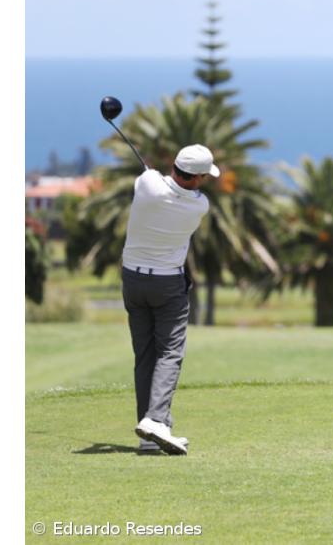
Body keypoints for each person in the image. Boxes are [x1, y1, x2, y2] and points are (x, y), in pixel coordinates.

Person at [121, 144, 219, 455]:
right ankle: (156, 421)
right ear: (197, 178)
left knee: (145, 354)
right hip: (168, 285)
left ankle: (147, 432)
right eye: (204, 176)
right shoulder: (199, 205)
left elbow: (152, 180)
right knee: (170, 353)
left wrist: (157, 173)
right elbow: (177, 188)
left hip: (133, 280)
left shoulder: (148, 184)